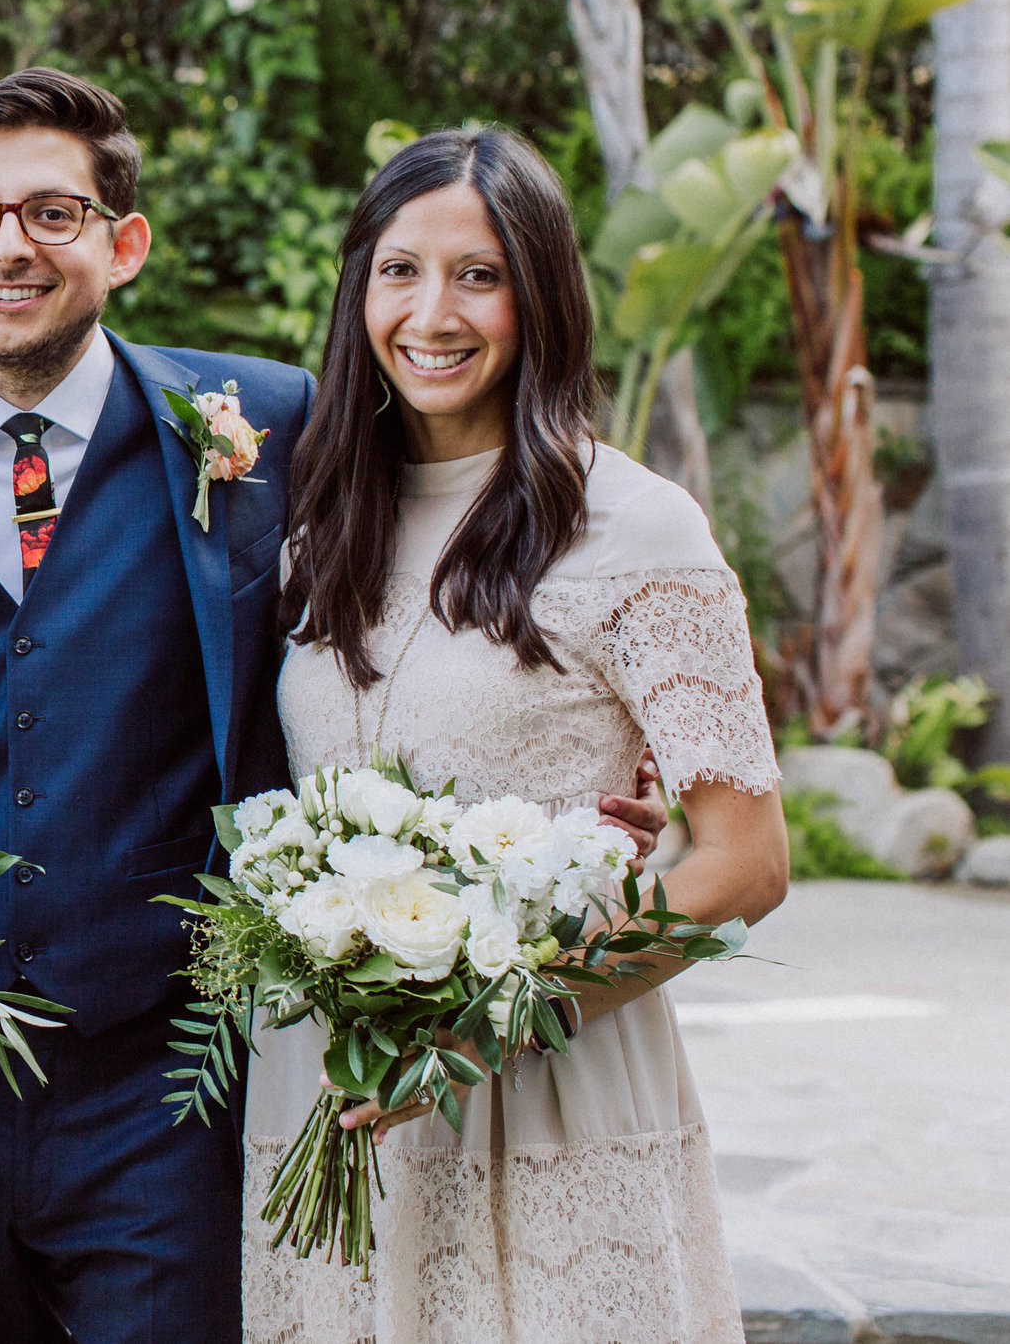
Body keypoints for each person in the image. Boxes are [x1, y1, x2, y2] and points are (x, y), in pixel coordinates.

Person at [0, 70, 670, 1343]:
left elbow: (447, 556)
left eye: (51, 211)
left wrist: (591, 758)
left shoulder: (272, 427)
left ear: (122, 243)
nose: (8, 245)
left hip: (176, 1090)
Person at [245, 126, 787, 1344]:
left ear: (538, 293)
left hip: (546, 1082)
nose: (432, 311)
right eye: (399, 270)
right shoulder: (315, 520)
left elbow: (743, 858)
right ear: (358, 288)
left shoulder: (637, 529)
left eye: (478, 274)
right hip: (333, 1100)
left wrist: (483, 1020)